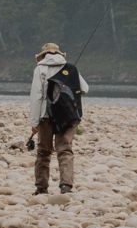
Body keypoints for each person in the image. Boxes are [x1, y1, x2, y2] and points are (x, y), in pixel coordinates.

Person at [25, 42, 89, 195]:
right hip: (67, 117)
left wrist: (34, 122)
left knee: (43, 152)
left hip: (46, 117)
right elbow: (85, 89)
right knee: (65, 150)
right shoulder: (70, 68)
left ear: (43, 55)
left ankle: (41, 188)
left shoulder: (40, 69)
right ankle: (66, 186)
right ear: (59, 54)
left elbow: (37, 97)